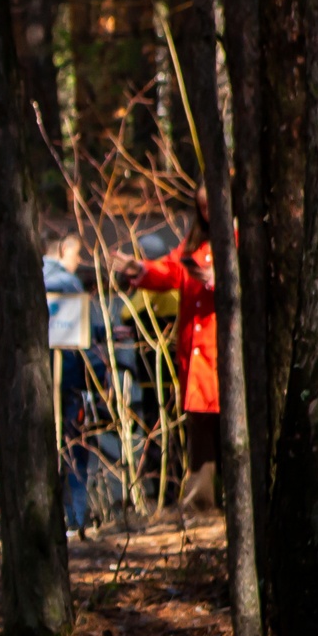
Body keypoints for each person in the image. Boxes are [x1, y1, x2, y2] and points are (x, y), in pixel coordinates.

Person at [119, 210, 219, 511]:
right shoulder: (192, 247)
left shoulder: (243, 239)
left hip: (214, 358)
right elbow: (171, 270)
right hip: (186, 367)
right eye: (200, 208)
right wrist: (141, 270)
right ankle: (199, 505)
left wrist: (223, 279)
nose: (206, 215)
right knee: (197, 433)